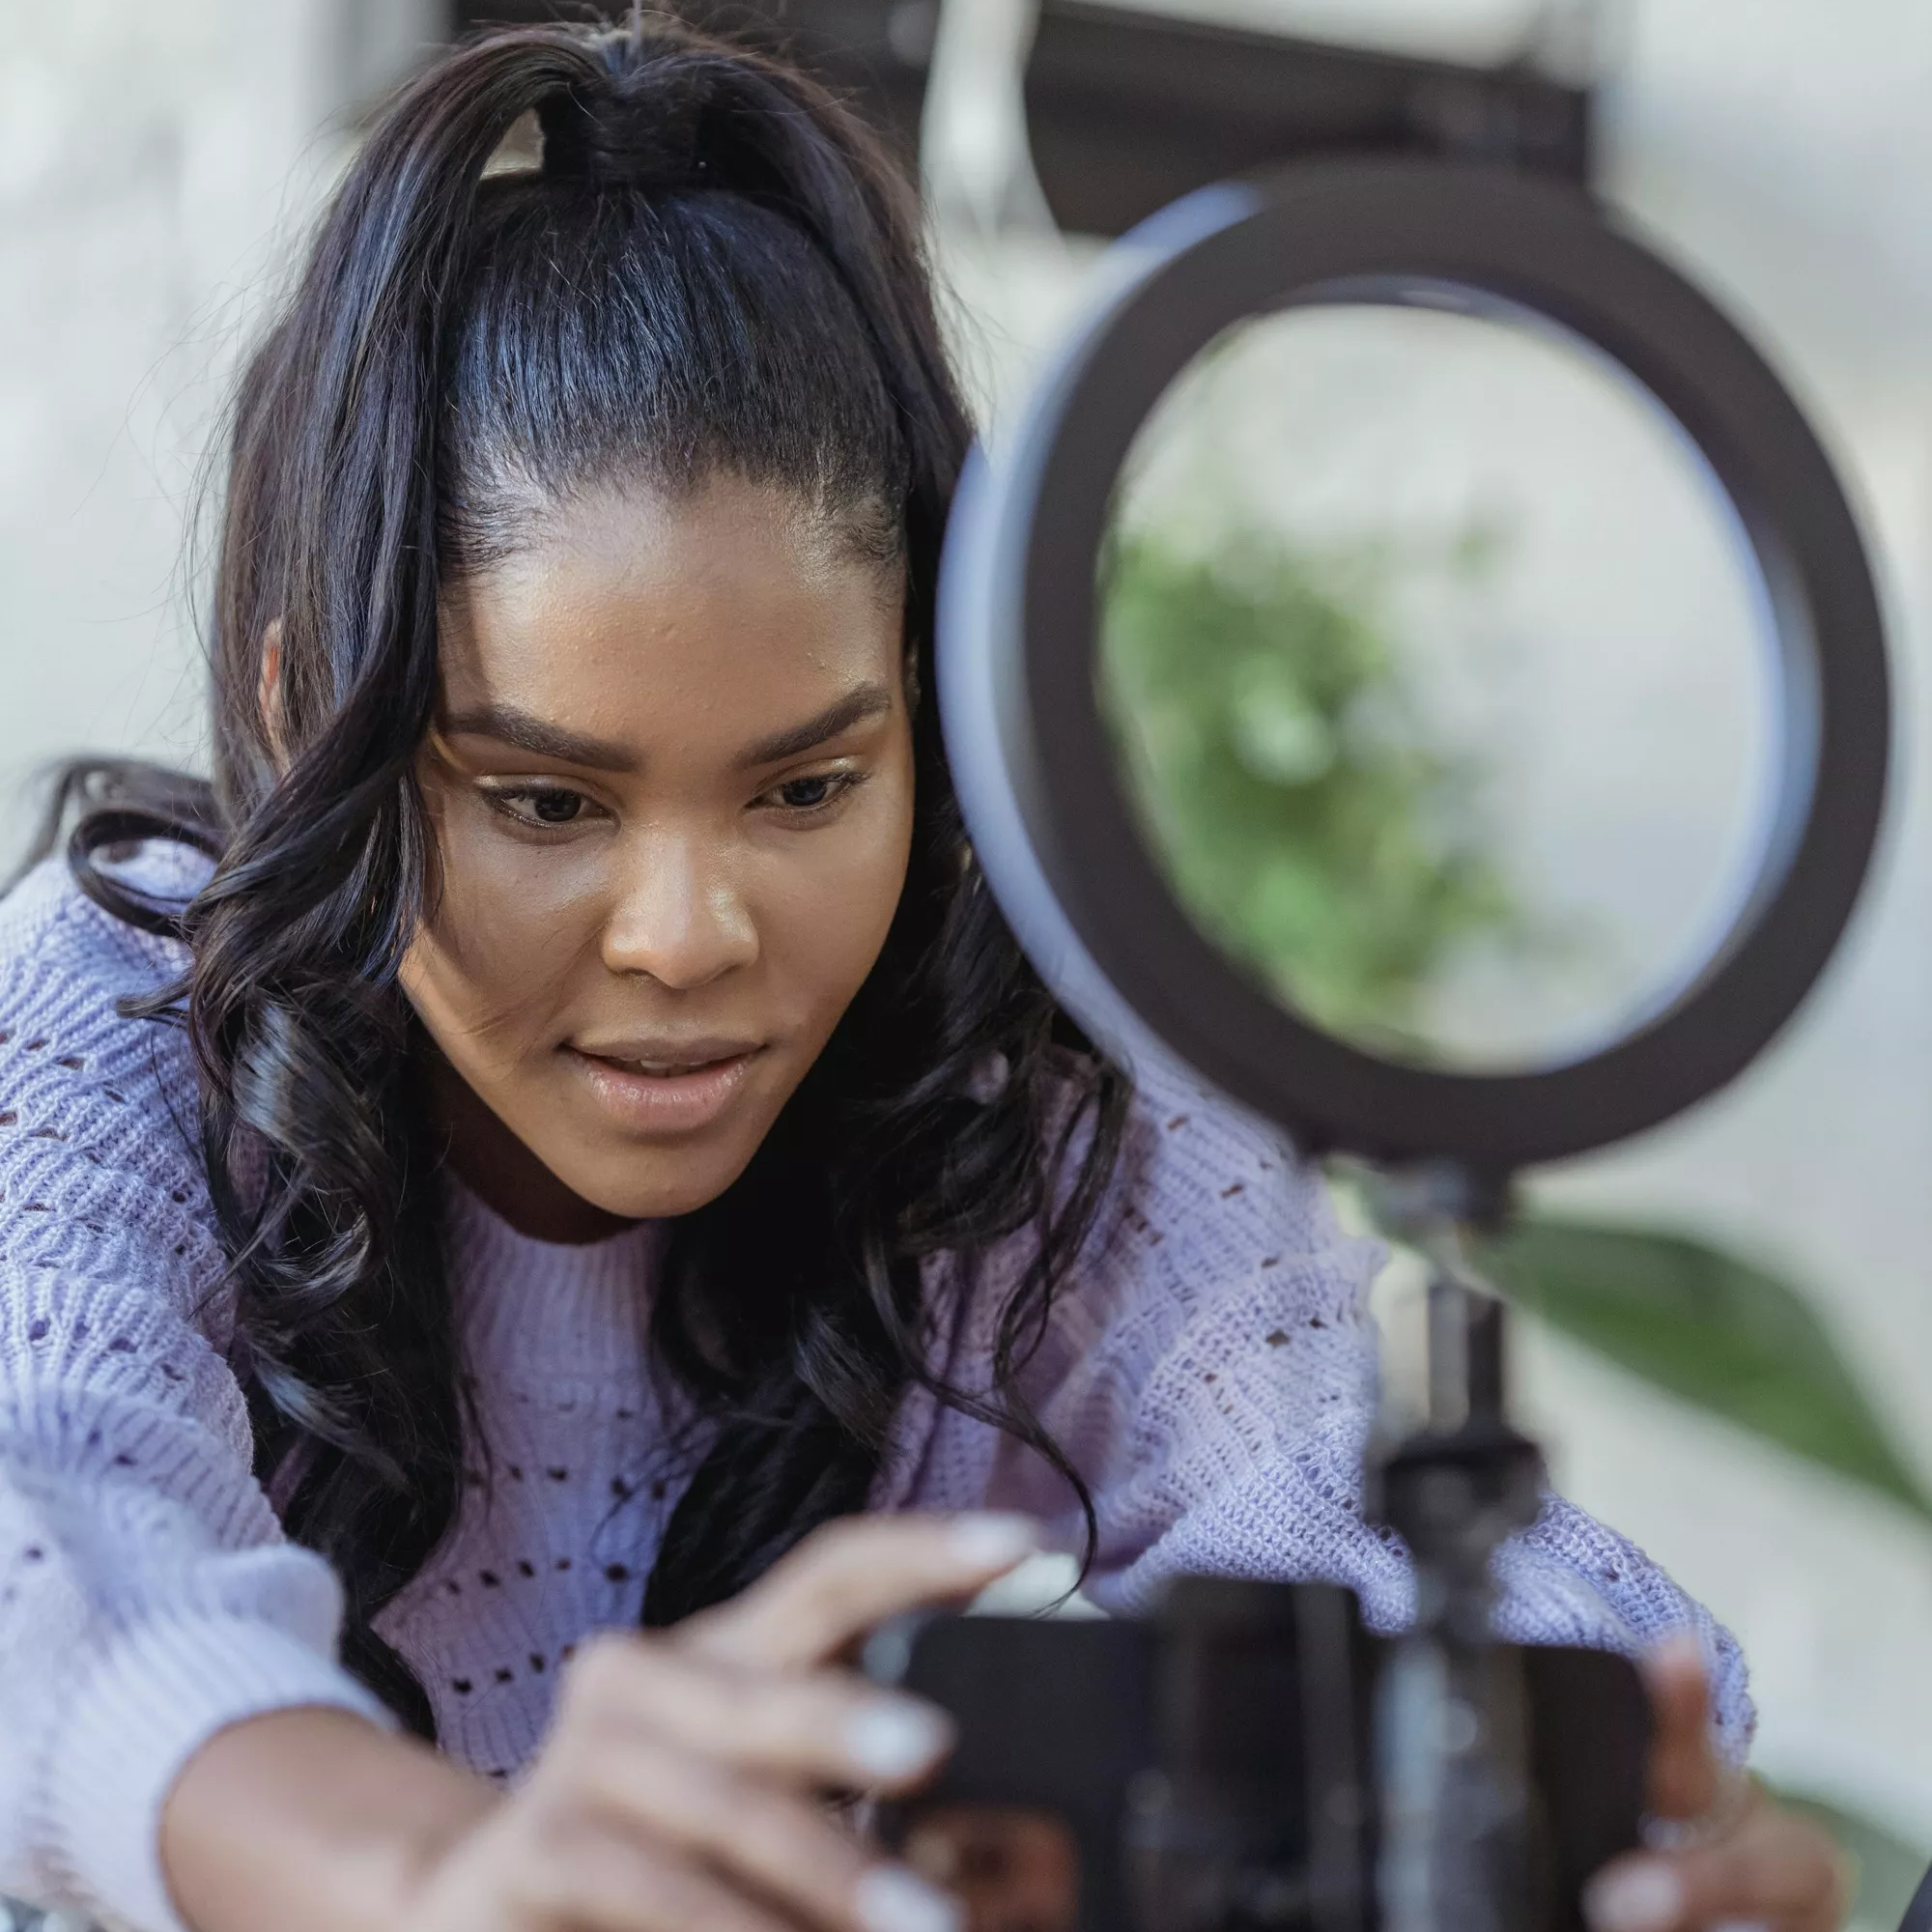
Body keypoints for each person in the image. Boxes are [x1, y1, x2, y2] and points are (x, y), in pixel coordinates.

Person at [0, 17, 1843, 1932]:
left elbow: (1340, 1498)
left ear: (931, 723)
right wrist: (455, 1874)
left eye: (807, 784)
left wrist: (1607, 1818)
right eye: (543, 799)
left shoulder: (1034, 1106)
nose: (687, 933)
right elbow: (54, 1572)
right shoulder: (108, 1025)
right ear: (313, 716)